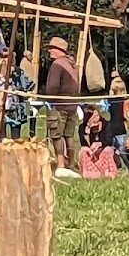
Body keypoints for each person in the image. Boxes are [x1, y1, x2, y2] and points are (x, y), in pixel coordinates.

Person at [43, 37, 80, 176]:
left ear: (59, 50)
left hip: (59, 105)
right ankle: (71, 163)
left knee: (56, 134)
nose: (49, 51)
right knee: (69, 135)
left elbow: (52, 87)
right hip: (72, 105)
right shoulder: (72, 64)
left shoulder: (57, 64)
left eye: (52, 48)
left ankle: (60, 165)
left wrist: (48, 98)